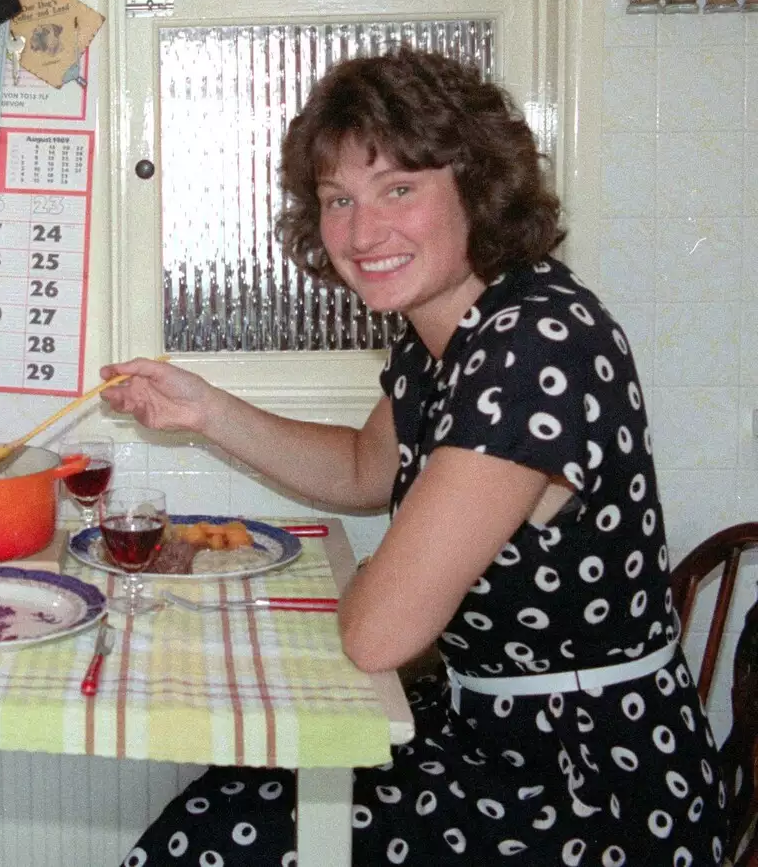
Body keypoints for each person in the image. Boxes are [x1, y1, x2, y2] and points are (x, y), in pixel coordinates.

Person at [103, 47, 728, 866]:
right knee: (233, 795)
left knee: (221, 835)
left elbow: (378, 634)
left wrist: (373, 586)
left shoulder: (533, 342)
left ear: (476, 184)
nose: (362, 232)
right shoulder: (450, 335)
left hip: (589, 784)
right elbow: (367, 468)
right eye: (338, 200)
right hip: (492, 731)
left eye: (400, 187)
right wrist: (207, 411)